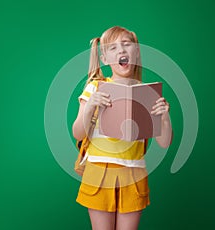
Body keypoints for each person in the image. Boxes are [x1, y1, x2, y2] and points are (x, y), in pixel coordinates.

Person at [72, 26, 173, 230]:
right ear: (104, 58)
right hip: (99, 171)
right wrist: (91, 105)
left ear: (135, 52)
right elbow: (77, 133)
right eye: (113, 48)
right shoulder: (95, 87)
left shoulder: (146, 93)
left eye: (127, 45)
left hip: (133, 174)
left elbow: (164, 143)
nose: (121, 51)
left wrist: (164, 117)